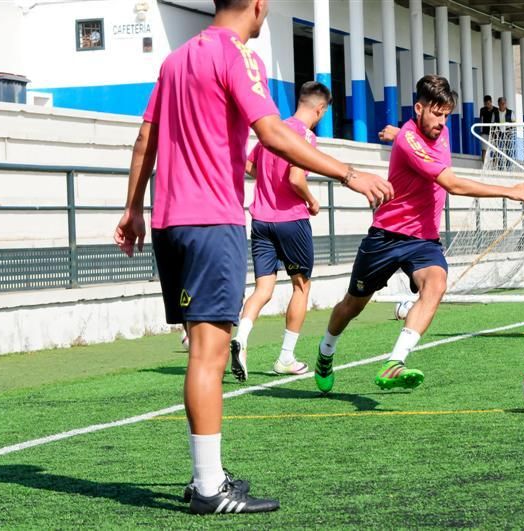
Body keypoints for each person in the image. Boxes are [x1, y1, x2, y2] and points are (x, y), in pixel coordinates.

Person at [113, 0, 393, 516]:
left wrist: (132, 209)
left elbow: (144, 139)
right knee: (209, 354)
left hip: (168, 222)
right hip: (209, 222)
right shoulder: (239, 56)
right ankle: (207, 489)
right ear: (258, 5)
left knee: (203, 349)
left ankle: (209, 478)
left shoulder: (175, 61)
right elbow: (273, 133)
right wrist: (349, 174)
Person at [316, 75, 524, 394]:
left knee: (436, 284)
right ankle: (326, 351)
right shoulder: (410, 139)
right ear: (419, 108)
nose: (441, 121)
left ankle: (395, 361)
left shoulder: (439, 133)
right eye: (436, 113)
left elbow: (424, 150)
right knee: (353, 304)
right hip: (387, 235)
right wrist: (509, 191)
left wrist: (397, 134)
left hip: (424, 240)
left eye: (446, 114)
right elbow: (453, 184)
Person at [230, 81, 331, 380]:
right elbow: (297, 178)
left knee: (263, 289)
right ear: (320, 109)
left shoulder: (270, 131)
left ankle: (242, 338)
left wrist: (268, 182)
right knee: (301, 286)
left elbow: (249, 167)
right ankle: (285, 357)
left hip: (260, 220)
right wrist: (312, 201)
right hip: (291, 221)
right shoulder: (305, 137)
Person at [496, 96, 515, 169]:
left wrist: (509, 128)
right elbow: (492, 124)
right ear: (498, 104)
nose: (502, 105)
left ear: (506, 104)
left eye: (504, 103)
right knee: (499, 152)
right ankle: (500, 168)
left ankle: (508, 168)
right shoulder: (495, 113)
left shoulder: (511, 113)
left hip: (508, 134)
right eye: (501, 103)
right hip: (499, 134)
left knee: (508, 152)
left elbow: (514, 123)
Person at [478, 95, 499, 162]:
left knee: (495, 150)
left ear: (491, 102)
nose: (487, 105)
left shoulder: (496, 110)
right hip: (484, 132)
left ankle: (495, 165)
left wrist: (496, 132)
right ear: (484, 103)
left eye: (489, 103)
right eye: (486, 104)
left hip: (493, 133)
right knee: (484, 149)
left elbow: (497, 121)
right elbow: (481, 120)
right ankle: (484, 165)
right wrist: (480, 131)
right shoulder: (482, 110)